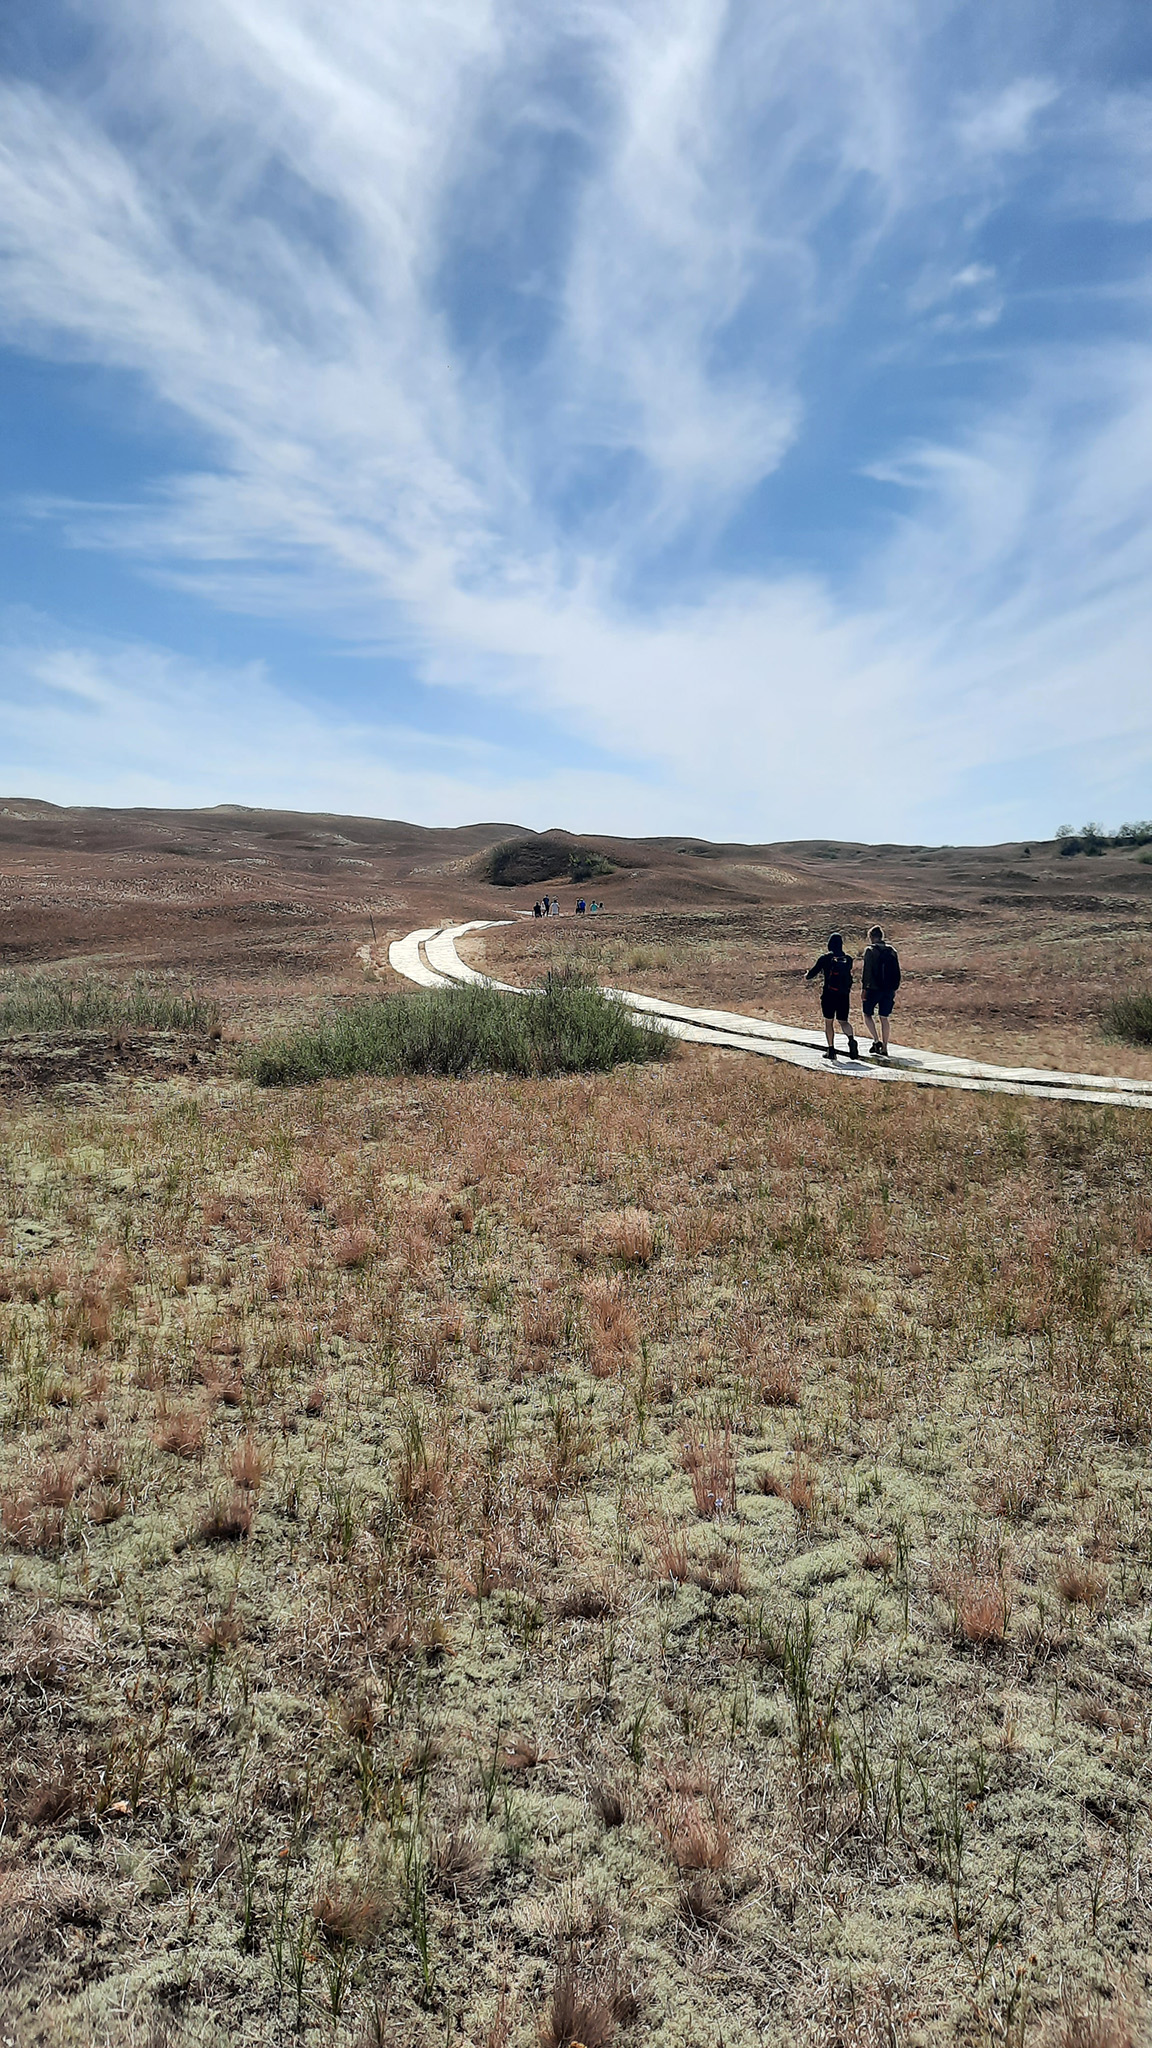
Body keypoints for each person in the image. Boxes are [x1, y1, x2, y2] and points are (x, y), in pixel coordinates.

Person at [805, 933, 857, 1061]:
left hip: (829, 995)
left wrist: (806, 975)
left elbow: (811, 974)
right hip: (844, 995)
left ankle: (831, 1050)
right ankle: (851, 1040)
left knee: (829, 1022)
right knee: (843, 1021)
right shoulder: (848, 959)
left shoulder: (825, 958)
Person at [861, 924, 901, 1056]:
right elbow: (897, 971)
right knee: (884, 1017)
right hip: (888, 989)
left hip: (873, 988)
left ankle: (876, 1040)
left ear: (871, 937)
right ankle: (885, 1047)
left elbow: (867, 972)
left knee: (867, 1014)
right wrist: (894, 987)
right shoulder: (892, 951)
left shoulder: (870, 951)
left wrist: (864, 988)